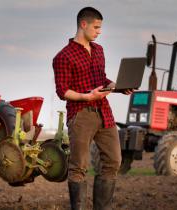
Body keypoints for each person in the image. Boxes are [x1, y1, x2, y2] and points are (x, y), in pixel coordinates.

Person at [52, 7, 132, 210]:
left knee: (114, 160)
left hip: (104, 111)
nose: (99, 31)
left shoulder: (99, 51)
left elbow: (101, 80)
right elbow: (63, 91)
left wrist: (117, 86)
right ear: (83, 24)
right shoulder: (63, 56)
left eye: (101, 27)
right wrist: (86, 96)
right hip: (81, 115)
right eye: (96, 27)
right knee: (79, 167)